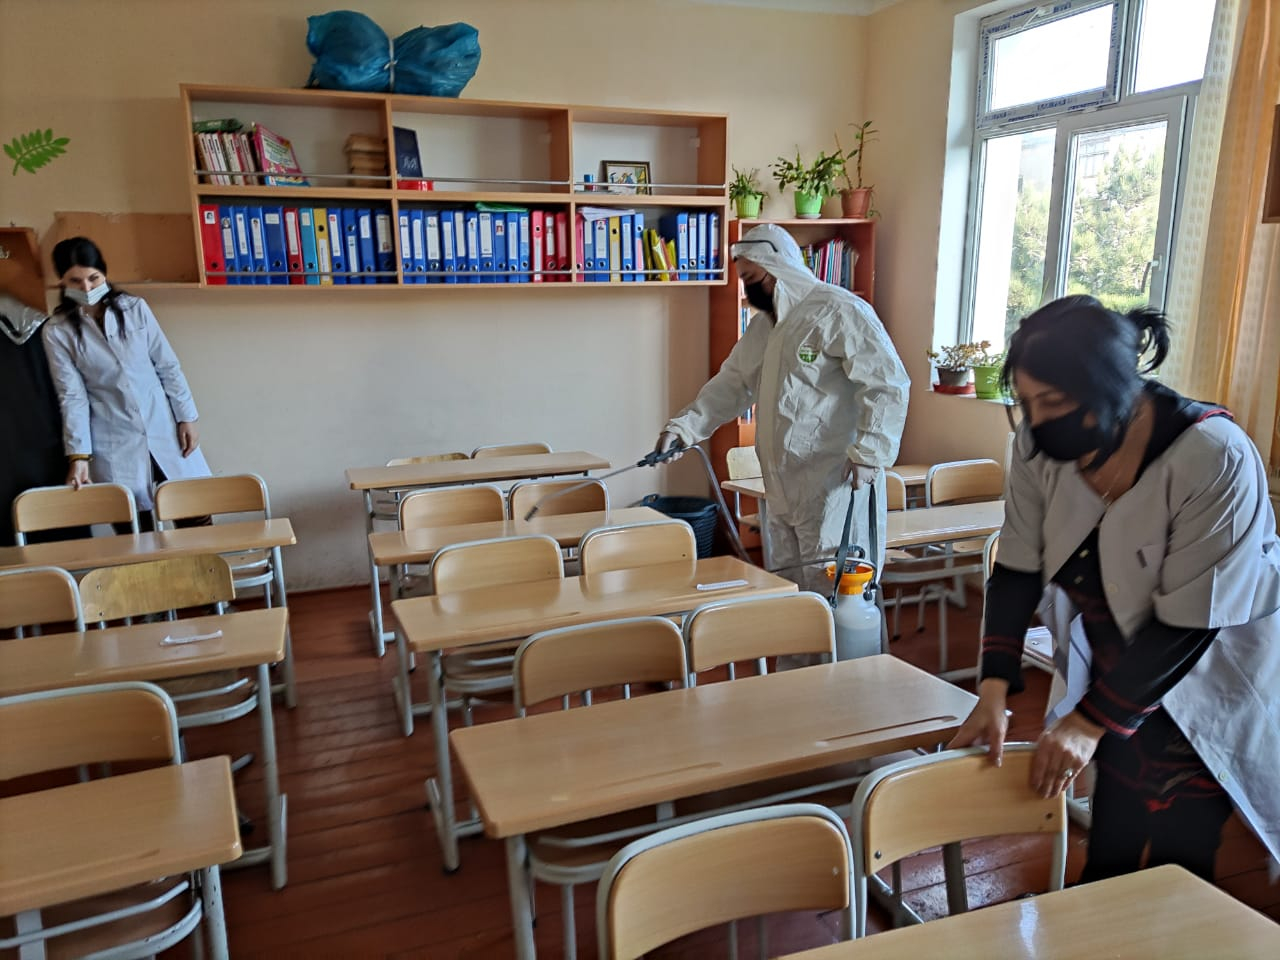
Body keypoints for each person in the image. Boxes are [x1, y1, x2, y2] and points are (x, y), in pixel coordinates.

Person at [949, 295, 1280, 882]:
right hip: (1113, 668)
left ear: (1113, 389)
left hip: (1200, 671)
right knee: (1112, 835)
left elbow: (1193, 621)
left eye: (1054, 402)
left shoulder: (1213, 456)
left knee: (1184, 851)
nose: (1038, 421)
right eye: (1026, 402)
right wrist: (994, 687)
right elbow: (1018, 567)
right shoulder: (1038, 448)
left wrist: (1087, 722)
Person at [654, 222, 909, 588]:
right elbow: (733, 384)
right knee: (790, 594)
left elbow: (886, 384)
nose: (748, 289)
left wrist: (870, 453)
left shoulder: (839, 311)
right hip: (781, 490)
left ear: (777, 268)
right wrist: (683, 429)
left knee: (838, 597)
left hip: (835, 486)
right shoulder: (765, 328)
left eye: (752, 278)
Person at [43, 237, 211, 530]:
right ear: (62, 281)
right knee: (134, 530)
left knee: (196, 516)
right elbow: (72, 397)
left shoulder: (135, 309)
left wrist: (186, 417)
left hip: (164, 427)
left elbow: (167, 366)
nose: (87, 288)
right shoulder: (58, 331)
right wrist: (78, 457)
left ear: (104, 273)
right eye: (76, 281)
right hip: (113, 439)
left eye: (93, 278)